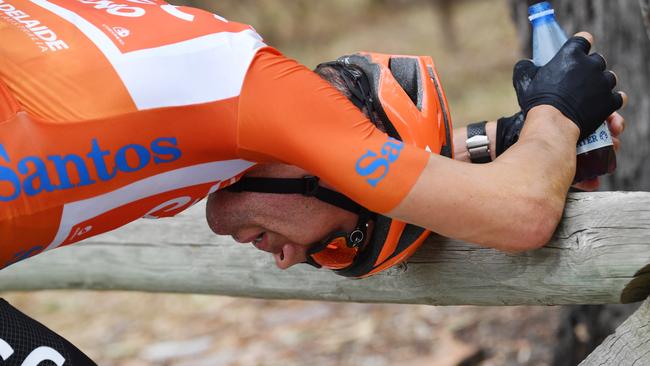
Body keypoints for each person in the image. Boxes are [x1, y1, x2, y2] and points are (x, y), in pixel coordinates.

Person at [0, 1, 625, 278]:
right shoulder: (261, 94)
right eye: (334, 245)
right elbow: (521, 217)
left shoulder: (223, 112)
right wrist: (557, 113)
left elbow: (352, 166)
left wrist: (507, 139)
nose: (290, 260)